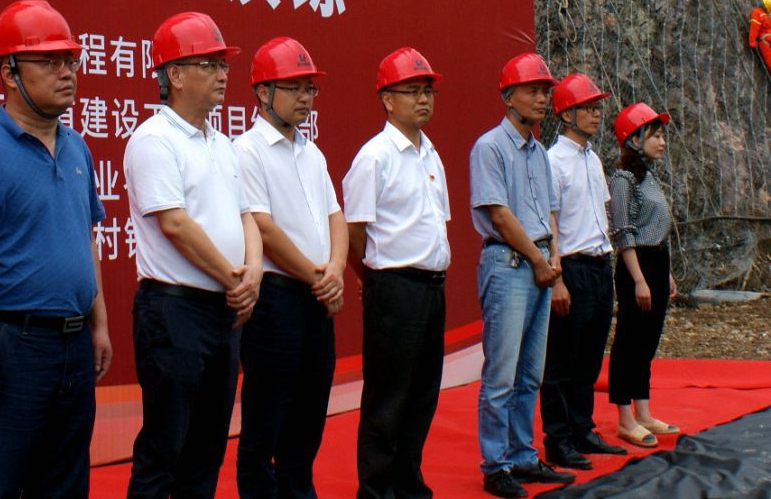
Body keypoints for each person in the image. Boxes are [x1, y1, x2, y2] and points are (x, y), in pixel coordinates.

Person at [0, 0, 113, 498]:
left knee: (65, 484)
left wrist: (99, 324)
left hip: (74, 346)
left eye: (70, 60)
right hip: (14, 347)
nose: (67, 73)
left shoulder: (77, 146)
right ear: (9, 73)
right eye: (49, 62)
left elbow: (85, 237)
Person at [124, 12, 263, 499]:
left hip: (223, 311)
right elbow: (176, 225)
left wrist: (253, 276)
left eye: (223, 65)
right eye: (209, 64)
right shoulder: (154, 139)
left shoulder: (222, 145)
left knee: (207, 448)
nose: (223, 75)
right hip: (174, 311)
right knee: (165, 447)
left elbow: (247, 216)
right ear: (176, 75)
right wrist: (235, 279)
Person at [233, 36, 346, 499]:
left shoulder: (312, 152)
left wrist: (336, 269)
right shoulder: (246, 150)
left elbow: (335, 216)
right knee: (265, 419)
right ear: (263, 92)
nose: (305, 98)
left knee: (308, 414)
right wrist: (320, 277)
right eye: (294, 87)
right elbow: (263, 226)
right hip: (276, 300)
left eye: (309, 88)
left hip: (316, 297)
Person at [344, 47, 450, 499]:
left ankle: (408, 485)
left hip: (431, 287)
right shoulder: (375, 156)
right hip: (394, 288)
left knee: (422, 396)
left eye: (428, 91)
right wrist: (376, 279)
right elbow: (354, 231)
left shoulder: (431, 154)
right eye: (412, 91)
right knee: (388, 399)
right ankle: (375, 492)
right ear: (387, 100)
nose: (423, 99)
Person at [469, 52, 574, 499]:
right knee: (502, 374)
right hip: (510, 264)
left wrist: (554, 258)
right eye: (533, 90)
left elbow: (549, 212)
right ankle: (496, 465)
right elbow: (499, 215)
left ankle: (523, 454)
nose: (542, 98)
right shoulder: (490, 147)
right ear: (508, 97)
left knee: (531, 372)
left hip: (539, 264)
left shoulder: (539, 154)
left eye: (545, 91)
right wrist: (539, 259)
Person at [540, 73, 628, 470]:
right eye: (587, 108)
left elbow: (600, 214)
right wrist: (557, 276)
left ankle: (582, 428)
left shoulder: (593, 158)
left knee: (590, 356)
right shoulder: (552, 161)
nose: (596, 114)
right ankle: (558, 439)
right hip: (572, 265)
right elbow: (550, 221)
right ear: (566, 115)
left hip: (598, 263)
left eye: (597, 107)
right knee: (561, 358)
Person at [607, 102, 679, 449]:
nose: (662, 142)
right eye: (655, 136)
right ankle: (625, 418)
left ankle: (644, 412)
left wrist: (667, 273)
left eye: (663, 136)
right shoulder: (623, 179)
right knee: (629, 340)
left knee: (648, 340)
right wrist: (638, 279)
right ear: (634, 139)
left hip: (657, 261)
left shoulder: (649, 176)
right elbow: (623, 231)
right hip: (637, 263)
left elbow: (658, 227)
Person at [749, 0, 771, 74]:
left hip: (766, 40)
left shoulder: (757, 13)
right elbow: (754, 27)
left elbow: (754, 28)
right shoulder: (762, 14)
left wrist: (752, 42)